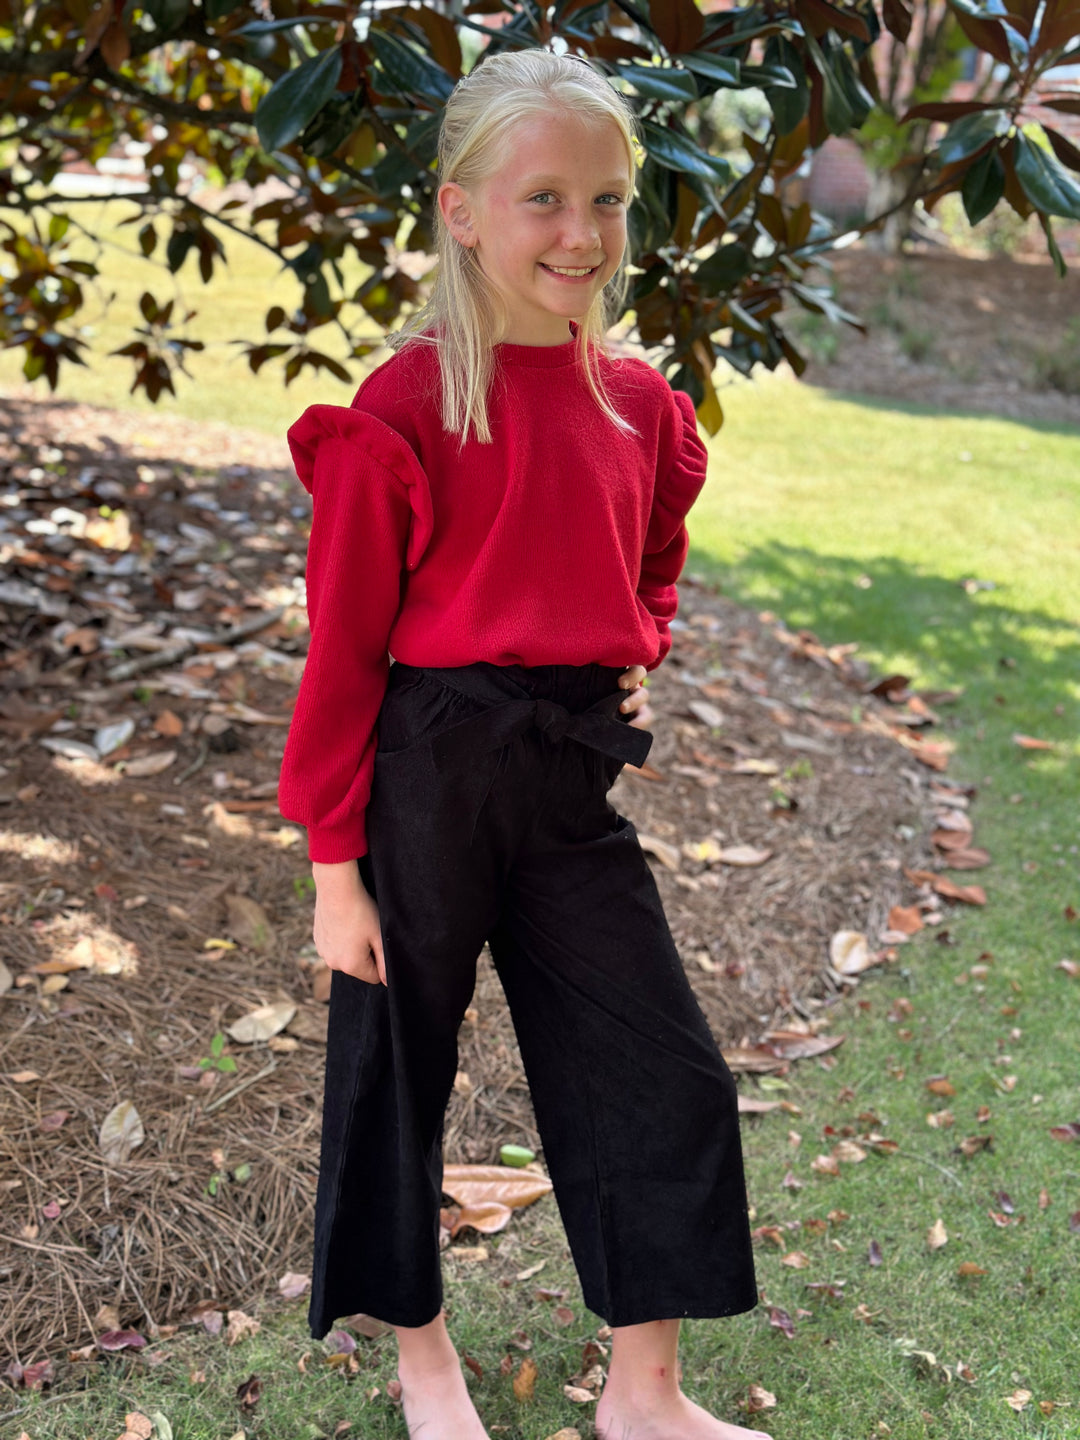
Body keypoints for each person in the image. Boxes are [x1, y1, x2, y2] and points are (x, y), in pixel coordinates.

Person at [278, 46, 767, 1440]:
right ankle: (423, 1360)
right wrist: (333, 864)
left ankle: (647, 1395)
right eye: (543, 196)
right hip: (425, 770)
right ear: (462, 211)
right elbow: (343, 655)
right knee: (398, 1071)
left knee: (660, 1064)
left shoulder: (643, 408)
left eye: (607, 198)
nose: (580, 232)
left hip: (569, 773)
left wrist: (637, 651)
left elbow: (653, 568)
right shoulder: (405, 410)